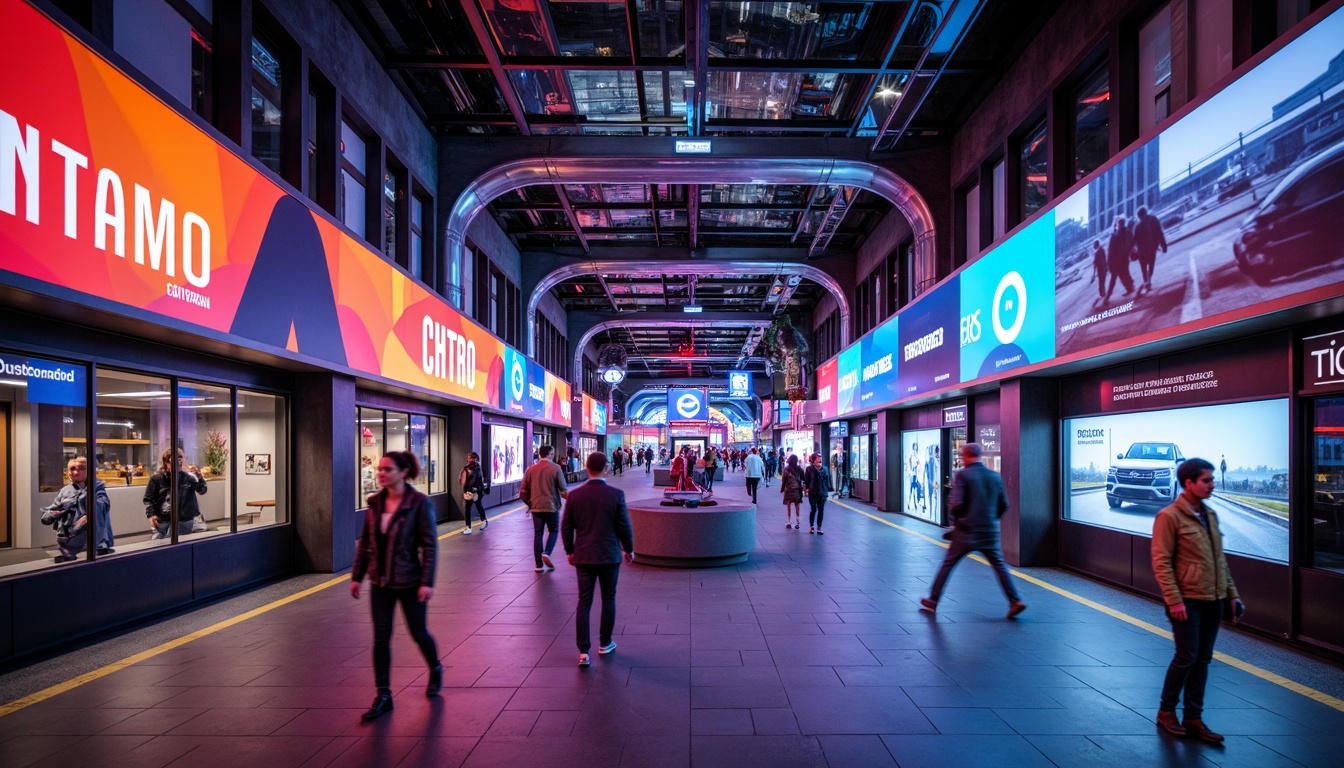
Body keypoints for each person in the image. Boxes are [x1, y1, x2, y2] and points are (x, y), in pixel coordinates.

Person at [1151, 458, 1243, 743]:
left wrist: (1232, 595)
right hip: (1186, 600)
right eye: (1206, 480)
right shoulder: (1169, 517)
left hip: (1212, 599)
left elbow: (1220, 561)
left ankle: (1193, 716)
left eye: (1212, 479)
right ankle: (1166, 712)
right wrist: (1174, 600)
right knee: (1186, 656)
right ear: (1188, 483)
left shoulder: (1210, 515)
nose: (1212, 484)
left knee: (1203, 659)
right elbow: (1161, 562)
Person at [350, 450, 441, 721]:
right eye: (379, 469)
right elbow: (365, 542)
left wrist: (427, 582)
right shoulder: (375, 502)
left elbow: (430, 545)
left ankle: (435, 668)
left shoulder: (419, 503)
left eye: (387, 469)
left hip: (410, 581)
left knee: (418, 633)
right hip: (380, 582)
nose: (381, 473)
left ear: (402, 472)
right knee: (380, 638)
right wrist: (357, 577)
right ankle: (384, 694)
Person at [920, 443, 1026, 618]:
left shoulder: (963, 475)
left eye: (962, 456)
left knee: (948, 564)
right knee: (999, 566)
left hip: (966, 532)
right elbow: (1004, 504)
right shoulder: (994, 476)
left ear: (966, 456)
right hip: (989, 532)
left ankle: (932, 600)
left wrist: (955, 520)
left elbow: (956, 504)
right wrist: (992, 520)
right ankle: (1015, 601)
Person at [562, 452, 634, 668]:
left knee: (584, 602)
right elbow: (624, 526)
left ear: (587, 467)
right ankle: (605, 643)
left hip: (583, 556)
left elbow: (566, 526)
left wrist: (570, 551)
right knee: (608, 599)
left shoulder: (575, 495)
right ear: (607, 468)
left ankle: (583, 652)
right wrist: (628, 549)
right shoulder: (616, 494)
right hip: (609, 556)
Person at [42, 457, 110, 562]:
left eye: (81, 469)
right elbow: (55, 506)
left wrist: (85, 507)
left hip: (91, 533)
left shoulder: (97, 486)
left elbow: (103, 504)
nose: (76, 472)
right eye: (72, 469)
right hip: (69, 533)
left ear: (88, 470)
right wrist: (50, 514)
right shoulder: (65, 491)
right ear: (68, 472)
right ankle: (69, 549)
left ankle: (97, 546)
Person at [521, 445, 568, 572]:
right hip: (551, 506)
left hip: (536, 507)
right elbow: (563, 490)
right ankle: (546, 552)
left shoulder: (531, 470)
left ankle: (538, 565)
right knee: (553, 530)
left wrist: (531, 504)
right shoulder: (556, 468)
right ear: (550, 454)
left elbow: (522, 492)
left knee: (538, 534)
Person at [144, 448, 207, 541]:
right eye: (173, 461)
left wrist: (199, 476)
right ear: (166, 463)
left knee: (168, 537)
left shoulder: (188, 478)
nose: (178, 464)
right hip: (164, 520)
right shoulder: (156, 479)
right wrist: (152, 515)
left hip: (185, 519)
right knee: (162, 537)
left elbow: (202, 490)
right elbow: (149, 499)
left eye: (180, 460)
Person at [1132, 206, 1168, 291]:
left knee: (1144, 268)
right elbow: (1159, 233)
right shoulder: (1153, 219)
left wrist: (1131, 251)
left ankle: (1146, 282)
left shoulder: (1138, 225)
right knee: (1150, 266)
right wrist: (1163, 245)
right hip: (1152, 248)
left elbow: (1134, 239)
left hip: (1142, 251)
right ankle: (1148, 281)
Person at [1105, 214, 1136, 300]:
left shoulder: (1115, 236)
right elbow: (1132, 241)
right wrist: (1130, 251)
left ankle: (1107, 297)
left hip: (1117, 260)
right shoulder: (1127, 231)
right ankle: (1130, 287)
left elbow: (1111, 250)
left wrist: (1109, 262)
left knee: (1115, 277)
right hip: (1125, 257)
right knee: (1125, 273)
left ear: (1118, 223)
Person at [803, 453, 832, 534]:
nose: (820, 459)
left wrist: (827, 490)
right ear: (813, 460)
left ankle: (819, 527)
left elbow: (827, 481)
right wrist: (807, 490)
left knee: (821, 510)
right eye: (818, 458)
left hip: (823, 493)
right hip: (813, 492)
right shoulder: (809, 469)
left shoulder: (825, 469)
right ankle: (811, 526)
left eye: (820, 458)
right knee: (813, 509)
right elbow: (806, 481)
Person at [460, 451, 488, 534]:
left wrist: (468, 489)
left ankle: (468, 527)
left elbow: (471, 480)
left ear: (473, 459)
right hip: (477, 490)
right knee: (478, 505)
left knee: (467, 508)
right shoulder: (476, 467)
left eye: (469, 457)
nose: (467, 458)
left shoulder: (472, 468)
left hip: (472, 490)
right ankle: (484, 520)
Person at [780, 454, 805, 529]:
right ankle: (797, 522)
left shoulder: (786, 469)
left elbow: (784, 480)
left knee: (788, 505)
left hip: (788, 489)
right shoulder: (800, 469)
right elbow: (803, 480)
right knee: (797, 506)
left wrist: (782, 489)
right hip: (797, 489)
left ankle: (788, 522)